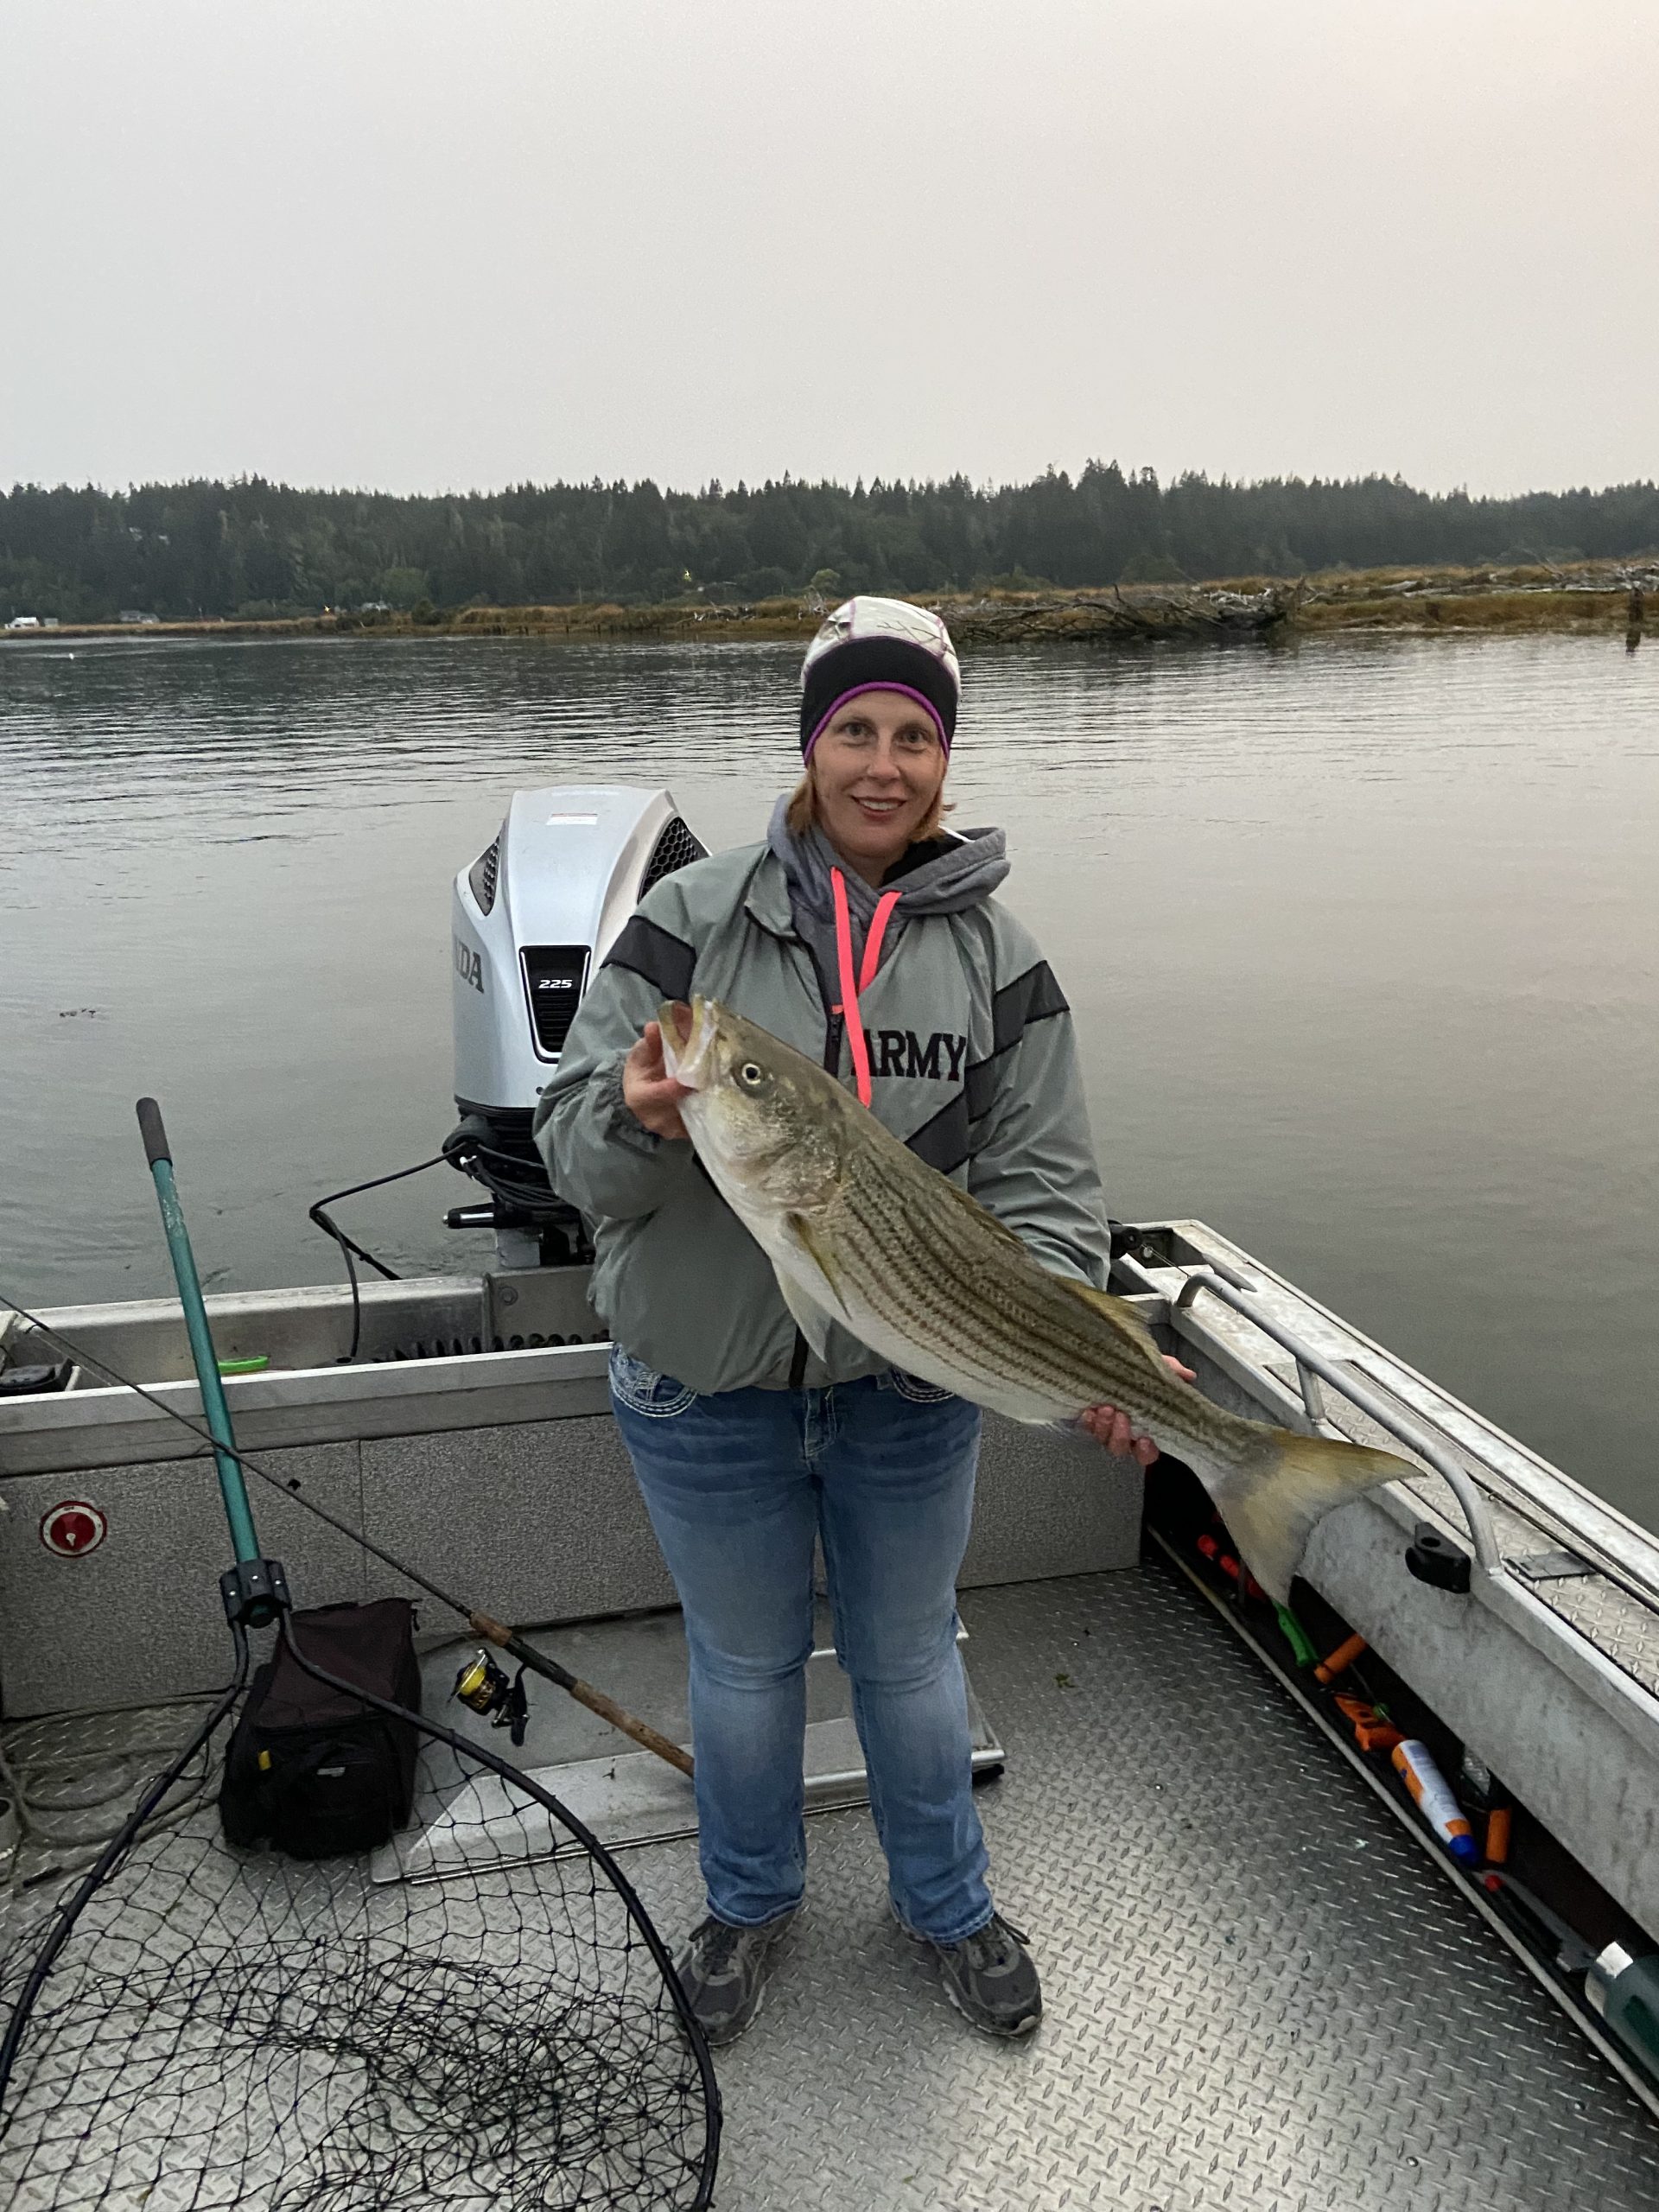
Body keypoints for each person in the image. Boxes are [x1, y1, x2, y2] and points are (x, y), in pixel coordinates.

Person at [537, 596, 1185, 2045]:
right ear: (809, 743)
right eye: (853, 732)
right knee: (746, 1669)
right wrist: (648, 1114)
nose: (881, 766)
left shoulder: (1001, 961)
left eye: (912, 738)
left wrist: (1085, 1355)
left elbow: (1049, 1192)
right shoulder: (685, 928)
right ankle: (751, 1904)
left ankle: (947, 1907)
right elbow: (570, 1152)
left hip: (916, 1382)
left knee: (909, 1660)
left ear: (942, 764)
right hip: (705, 1387)